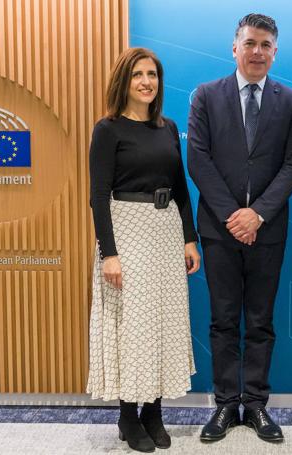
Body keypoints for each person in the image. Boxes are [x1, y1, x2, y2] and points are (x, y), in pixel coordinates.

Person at [187, 13, 292, 443]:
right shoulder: (205, 96)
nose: (257, 52)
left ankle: (255, 405)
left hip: (268, 230)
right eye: (250, 43)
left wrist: (258, 214)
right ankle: (224, 405)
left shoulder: (290, 100)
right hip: (220, 231)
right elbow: (198, 160)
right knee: (222, 320)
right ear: (234, 48)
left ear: (275, 51)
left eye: (266, 45)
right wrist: (234, 217)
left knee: (260, 320)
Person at [87, 47, 200, 453]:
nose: (146, 81)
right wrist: (109, 253)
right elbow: (98, 196)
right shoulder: (108, 129)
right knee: (132, 326)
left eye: (152, 74)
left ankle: (154, 412)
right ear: (125, 80)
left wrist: (190, 239)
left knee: (162, 323)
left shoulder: (168, 128)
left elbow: (183, 189)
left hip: (166, 230)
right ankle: (127, 416)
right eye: (138, 74)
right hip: (127, 229)